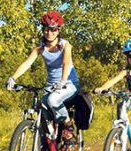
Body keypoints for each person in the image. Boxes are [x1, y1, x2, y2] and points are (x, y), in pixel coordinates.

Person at [7, 11, 80, 142]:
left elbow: (65, 63)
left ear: (58, 30)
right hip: (51, 86)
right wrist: (13, 78)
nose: (49, 33)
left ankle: (68, 125)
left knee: (52, 100)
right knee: (43, 105)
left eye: (53, 29)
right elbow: (27, 63)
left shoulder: (65, 45)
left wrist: (63, 81)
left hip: (69, 84)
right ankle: (47, 141)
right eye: (46, 29)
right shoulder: (40, 49)